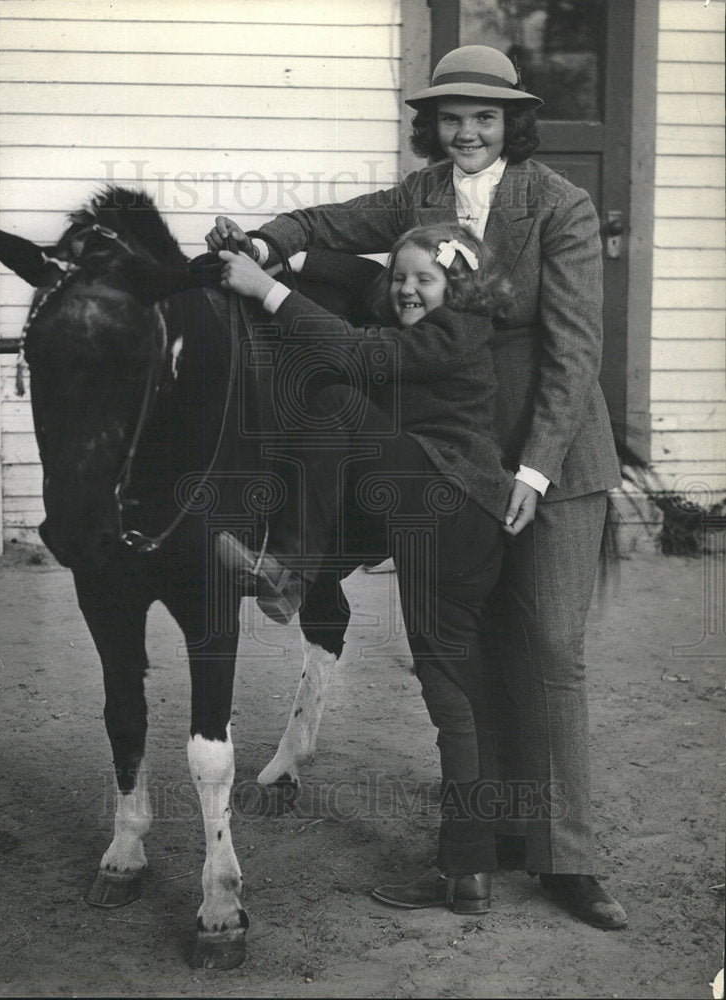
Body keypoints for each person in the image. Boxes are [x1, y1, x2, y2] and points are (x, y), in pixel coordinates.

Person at [207, 44, 627, 930]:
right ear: (430, 124)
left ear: (514, 121)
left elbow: (573, 349)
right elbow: (332, 222)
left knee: (549, 650)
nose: (467, 131)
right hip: (459, 460)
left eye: (485, 116)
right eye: (450, 116)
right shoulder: (421, 195)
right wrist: (270, 240)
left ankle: (569, 861)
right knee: (476, 653)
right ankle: (498, 835)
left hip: (551, 454)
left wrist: (537, 466)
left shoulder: (561, 205)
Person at [218, 224, 512, 913]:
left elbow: (353, 348)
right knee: (452, 692)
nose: (407, 291)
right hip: (454, 516)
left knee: (332, 403)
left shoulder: (453, 333)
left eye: (425, 281)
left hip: (443, 501)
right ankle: (468, 870)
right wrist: (281, 251)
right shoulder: (431, 308)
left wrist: (266, 289)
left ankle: (290, 566)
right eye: (400, 277)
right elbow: (358, 278)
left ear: (458, 290)